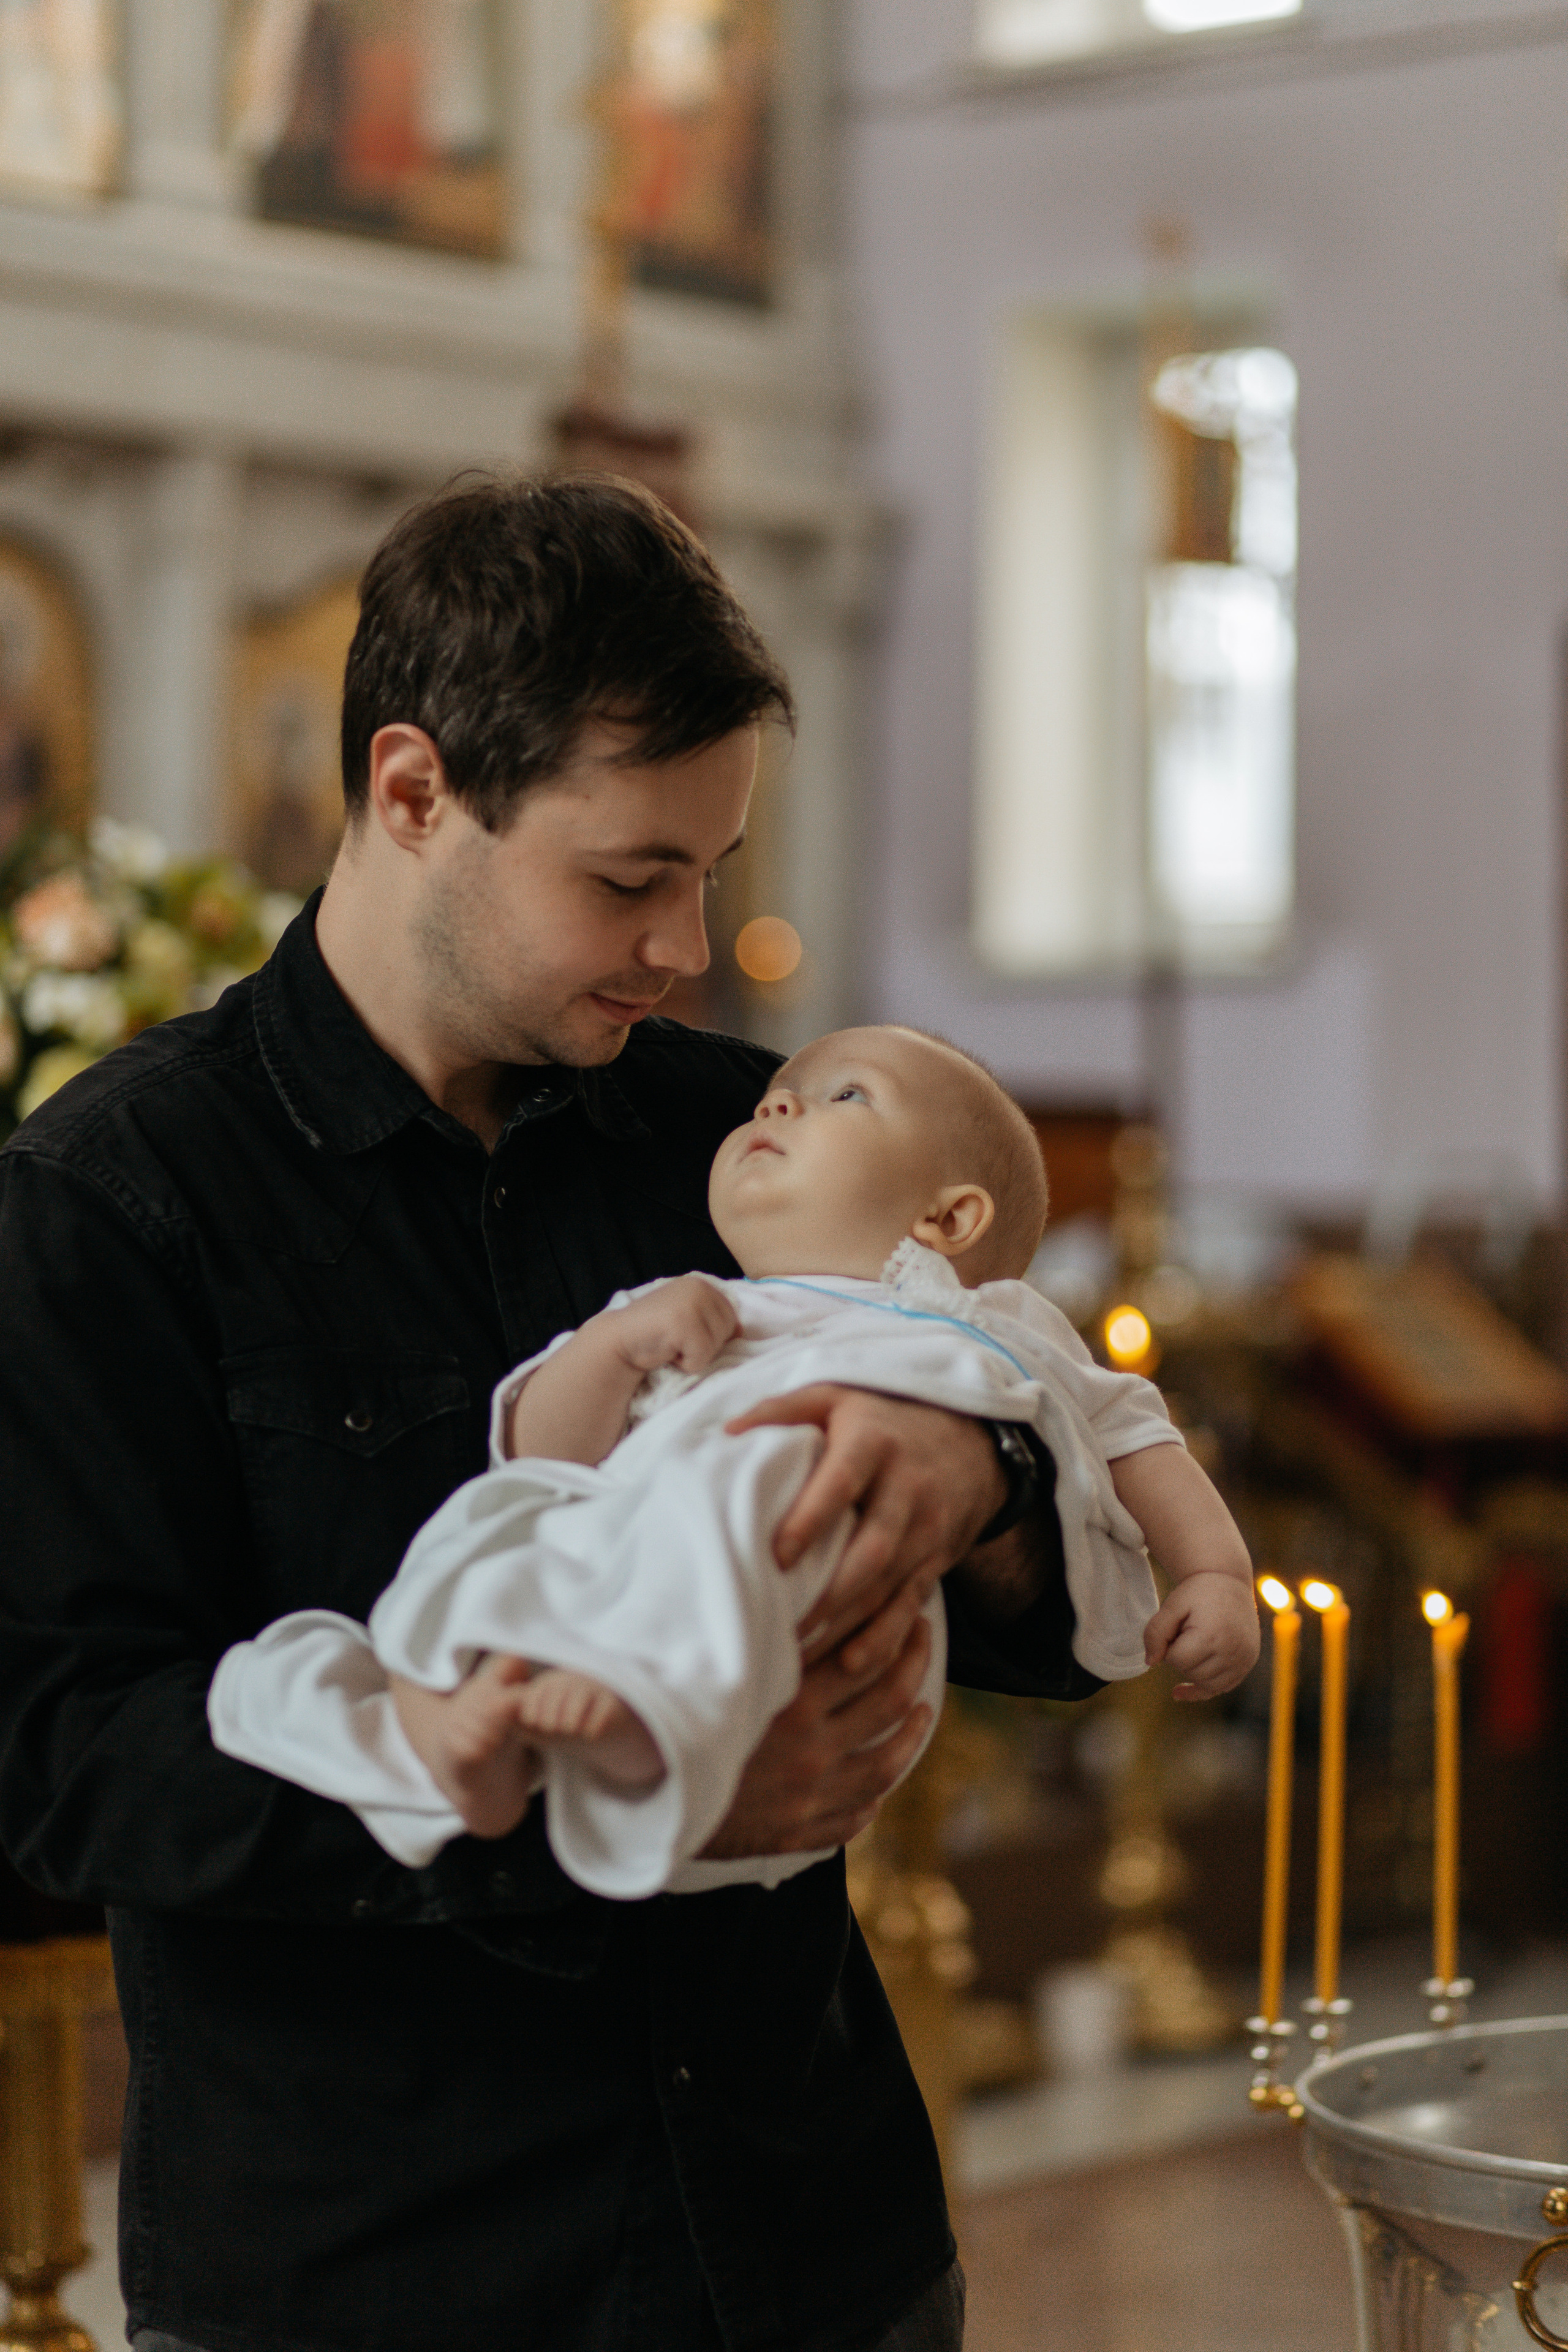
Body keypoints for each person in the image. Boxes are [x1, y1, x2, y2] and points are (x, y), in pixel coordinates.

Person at [0, 475, 1099, 2352]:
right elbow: (63, 1759)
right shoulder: (111, 1202)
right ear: (414, 791)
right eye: (629, 879)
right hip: (377, 2270)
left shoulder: (743, 1140)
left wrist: (975, 1466)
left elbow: (1057, 1612)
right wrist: (596, 1799)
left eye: (710, 872)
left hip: (808, 2243)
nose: (688, 945)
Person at [209, 1023, 1258, 1902]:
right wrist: (611, 1351)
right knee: (495, 1523)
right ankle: (439, 1716)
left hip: (786, 1589)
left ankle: (637, 1723)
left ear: (947, 1218)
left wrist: (1213, 1570)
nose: (778, 1105)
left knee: (756, 1482)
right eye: (773, 1098)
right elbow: (540, 1455)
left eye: (845, 1095)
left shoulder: (989, 1323)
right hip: (620, 1550)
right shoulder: (691, 1305)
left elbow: (1134, 1432)